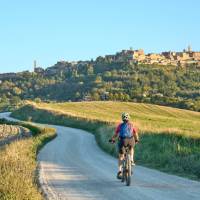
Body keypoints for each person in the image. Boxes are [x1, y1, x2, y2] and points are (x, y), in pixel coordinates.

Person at [110, 112, 139, 179]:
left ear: (122, 119)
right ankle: (131, 160)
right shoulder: (132, 125)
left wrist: (112, 139)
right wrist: (137, 140)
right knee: (131, 148)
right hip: (131, 140)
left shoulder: (120, 126)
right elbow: (135, 134)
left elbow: (116, 134)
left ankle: (120, 171)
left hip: (123, 141)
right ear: (129, 118)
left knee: (121, 156)